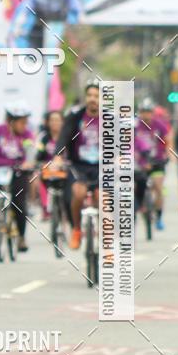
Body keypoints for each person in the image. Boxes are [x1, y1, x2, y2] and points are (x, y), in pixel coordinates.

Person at [54, 79, 100, 250]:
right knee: (78, 193)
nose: (92, 99)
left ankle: (106, 238)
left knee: (101, 198)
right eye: (89, 95)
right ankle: (77, 229)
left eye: (96, 95)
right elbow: (63, 137)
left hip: (102, 167)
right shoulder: (75, 116)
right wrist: (58, 157)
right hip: (78, 165)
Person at [0, 101, 35, 251]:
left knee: (19, 203)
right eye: (22, 121)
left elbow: (30, 149)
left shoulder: (26, 134)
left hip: (18, 171)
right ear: (11, 121)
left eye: (26, 121)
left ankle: (21, 237)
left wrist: (29, 162)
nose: (24, 125)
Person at [135, 98, 173, 230]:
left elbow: (168, 139)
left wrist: (168, 154)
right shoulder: (135, 125)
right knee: (135, 185)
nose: (146, 115)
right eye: (143, 112)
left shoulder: (159, 125)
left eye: (148, 112)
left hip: (157, 161)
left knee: (158, 186)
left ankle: (158, 216)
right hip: (140, 163)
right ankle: (140, 205)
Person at [36, 110, 65, 219]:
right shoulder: (43, 137)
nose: (55, 123)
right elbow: (38, 154)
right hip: (47, 169)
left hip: (64, 169)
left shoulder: (67, 136)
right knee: (40, 176)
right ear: (48, 122)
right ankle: (45, 207)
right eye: (52, 120)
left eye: (57, 120)